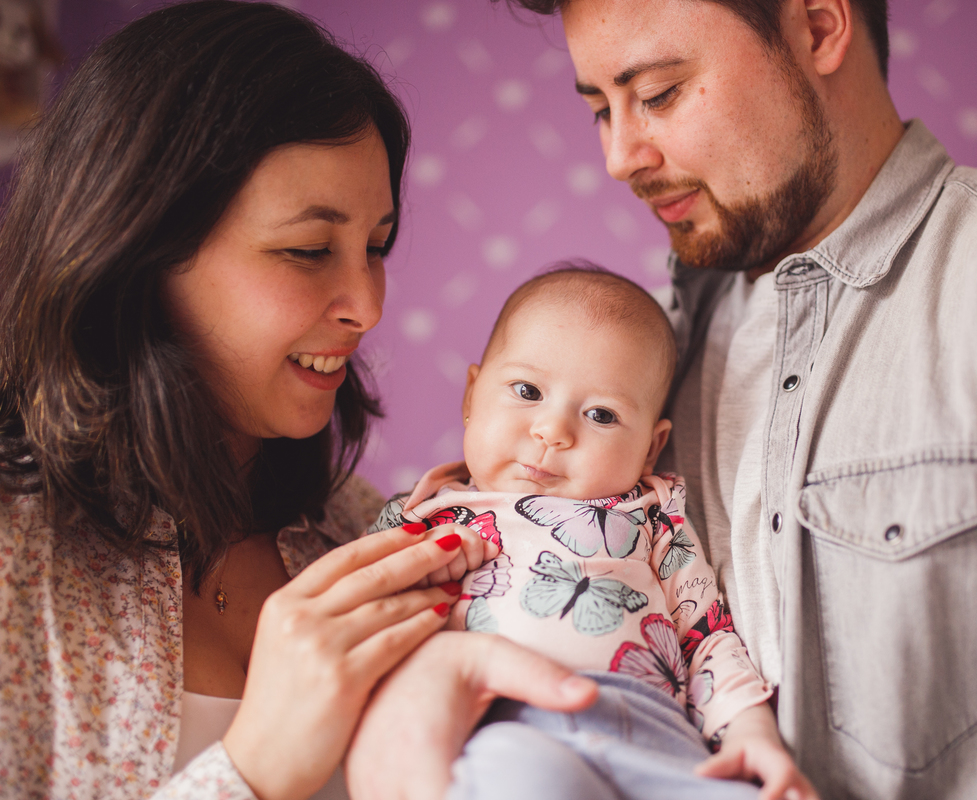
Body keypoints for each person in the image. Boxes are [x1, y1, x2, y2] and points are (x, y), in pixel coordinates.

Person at [353, 0, 977, 798]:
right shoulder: (637, 358)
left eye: (659, 93)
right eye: (601, 108)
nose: (619, 157)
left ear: (820, 26)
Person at [0, 3, 598, 799]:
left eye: (376, 246)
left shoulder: (358, 534)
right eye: (309, 250)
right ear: (139, 248)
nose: (368, 303)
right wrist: (253, 768)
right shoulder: (19, 560)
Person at [362, 266, 811, 800]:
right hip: (509, 727)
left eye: (601, 414)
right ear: (471, 396)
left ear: (650, 445)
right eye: (527, 390)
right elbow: (364, 631)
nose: (553, 431)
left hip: (657, 736)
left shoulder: (654, 516)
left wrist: (751, 731)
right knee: (515, 777)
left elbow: (705, 636)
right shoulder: (421, 518)